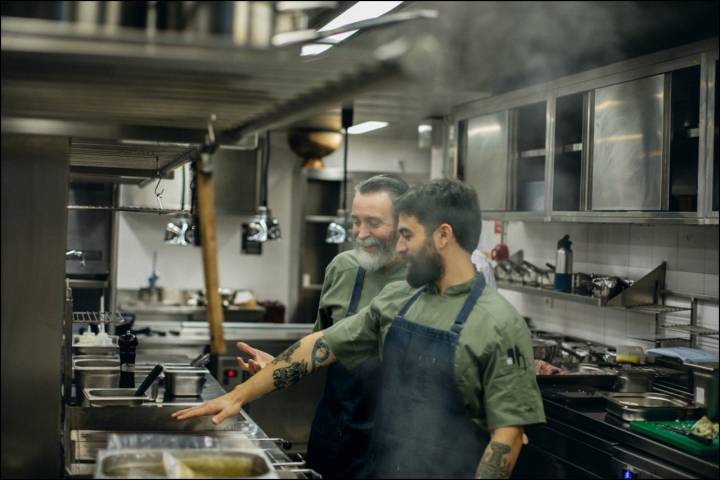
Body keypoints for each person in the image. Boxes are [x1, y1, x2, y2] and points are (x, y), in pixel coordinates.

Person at [173, 179, 546, 479]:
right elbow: (320, 345)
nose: (399, 249)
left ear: (443, 236)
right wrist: (238, 396)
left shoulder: (499, 323)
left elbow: (508, 437)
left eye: (408, 236)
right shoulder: (401, 298)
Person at [235, 174, 410, 479]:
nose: (360, 233)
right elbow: (320, 348)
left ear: (404, 223)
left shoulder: (425, 279)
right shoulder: (342, 268)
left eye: (373, 223)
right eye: (356, 221)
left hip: (401, 447)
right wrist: (277, 365)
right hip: (336, 437)